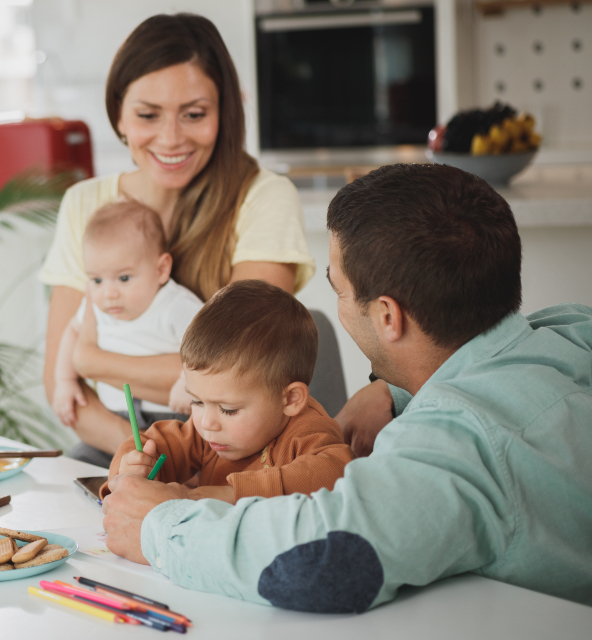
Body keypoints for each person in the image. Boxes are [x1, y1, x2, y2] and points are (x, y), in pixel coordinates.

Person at [101, 163, 592, 611]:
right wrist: (393, 389)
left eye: (336, 288)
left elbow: (323, 562)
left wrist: (158, 526)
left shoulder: (455, 443)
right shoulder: (569, 332)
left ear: (386, 316)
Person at [40, 14, 315, 464]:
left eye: (194, 114)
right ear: (119, 115)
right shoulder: (83, 204)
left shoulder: (263, 198)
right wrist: (146, 452)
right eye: (148, 115)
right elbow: (64, 390)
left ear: (223, 113)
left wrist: (91, 360)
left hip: (228, 451)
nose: (170, 138)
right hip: (120, 444)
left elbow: (241, 373)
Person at [101, 280, 353, 502]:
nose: (206, 422)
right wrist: (129, 468)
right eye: (196, 401)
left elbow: (336, 470)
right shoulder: (209, 432)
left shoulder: (308, 432)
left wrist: (231, 494)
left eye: (228, 409)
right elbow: (153, 443)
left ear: (290, 399)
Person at [52, 200, 203, 432]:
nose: (108, 293)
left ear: (161, 270)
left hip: (173, 415)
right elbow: (73, 331)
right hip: (116, 415)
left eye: (123, 278)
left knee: (184, 463)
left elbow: (209, 345)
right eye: (97, 280)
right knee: (81, 458)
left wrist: (186, 382)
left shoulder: (175, 305)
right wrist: (65, 381)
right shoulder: (96, 305)